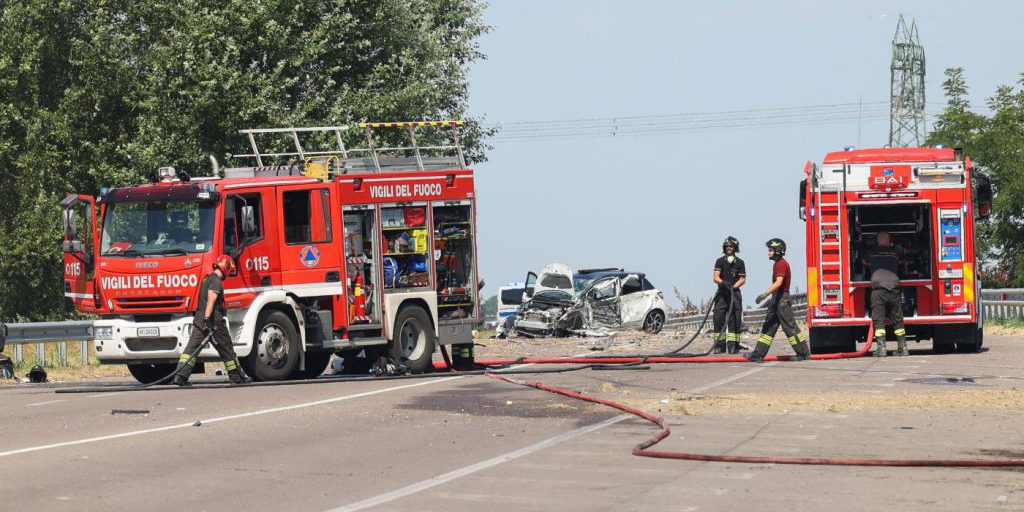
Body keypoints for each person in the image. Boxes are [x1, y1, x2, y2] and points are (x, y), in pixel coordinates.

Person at [172, 255, 252, 385]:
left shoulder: (206, 279)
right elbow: (211, 300)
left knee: (191, 348)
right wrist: (207, 319)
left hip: (199, 319)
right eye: (229, 270)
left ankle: (179, 377)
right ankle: (237, 378)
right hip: (213, 321)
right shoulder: (216, 281)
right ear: (225, 267)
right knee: (226, 348)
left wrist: (202, 319)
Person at [744, 238, 811, 363]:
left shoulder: (781, 264)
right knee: (769, 326)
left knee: (790, 328)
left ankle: (803, 353)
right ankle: (758, 354)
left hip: (782, 300)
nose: (768, 252)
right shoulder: (777, 264)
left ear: (778, 251)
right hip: (777, 299)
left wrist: (764, 294)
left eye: (771, 250)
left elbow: (779, 283)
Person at [864, 231, 907, 357]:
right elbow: (903, 264)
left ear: (877, 241)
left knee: (879, 320)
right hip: (894, 289)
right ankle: (903, 348)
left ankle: (881, 348)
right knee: (898, 320)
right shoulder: (895, 252)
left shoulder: (871, 252)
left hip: (878, 290)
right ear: (889, 241)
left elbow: (864, 262)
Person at [712, 236, 746, 354]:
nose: (729, 248)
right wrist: (723, 283)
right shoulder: (720, 261)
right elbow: (715, 277)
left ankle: (733, 346)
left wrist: (733, 287)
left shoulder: (740, 262)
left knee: (734, 319)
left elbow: (742, 279)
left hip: (734, 294)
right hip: (722, 294)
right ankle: (719, 346)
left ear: (735, 248)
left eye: (731, 246)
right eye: (727, 246)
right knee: (718, 318)